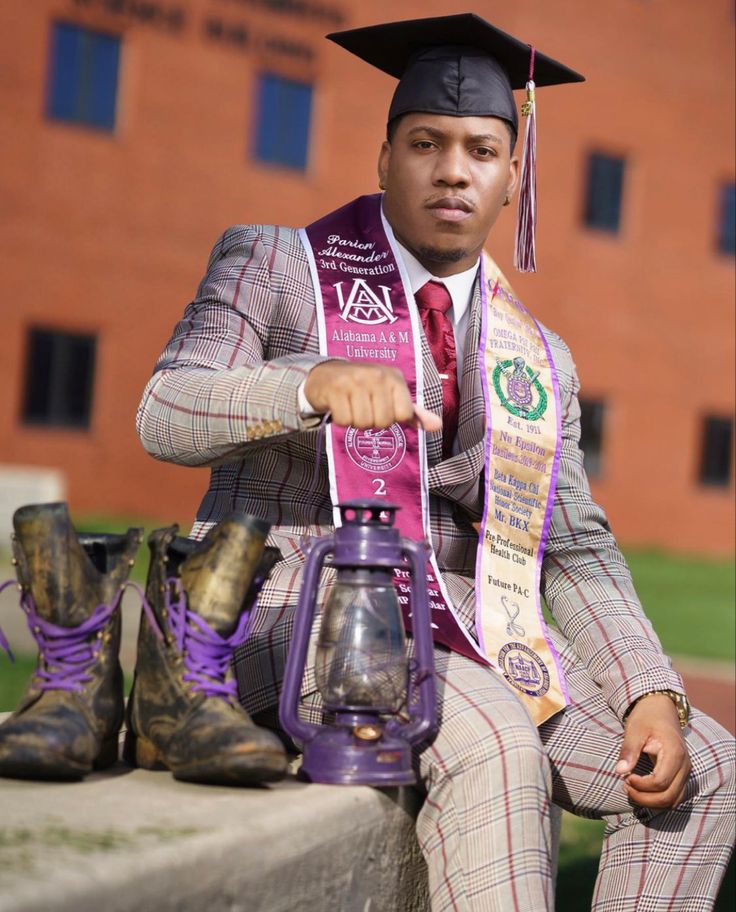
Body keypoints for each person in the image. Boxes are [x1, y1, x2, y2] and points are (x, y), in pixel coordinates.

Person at [136, 13, 735, 910]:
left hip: (478, 640)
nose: (453, 168)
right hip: (288, 625)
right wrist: (306, 387)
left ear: (510, 179)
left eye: (482, 150)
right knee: (494, 733)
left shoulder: (539, 356)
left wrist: (653, 692)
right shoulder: (275, 263)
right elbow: (164, 411)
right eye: (427, 143)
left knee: (711, 769)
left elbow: (575, 549)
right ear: (384, 158)